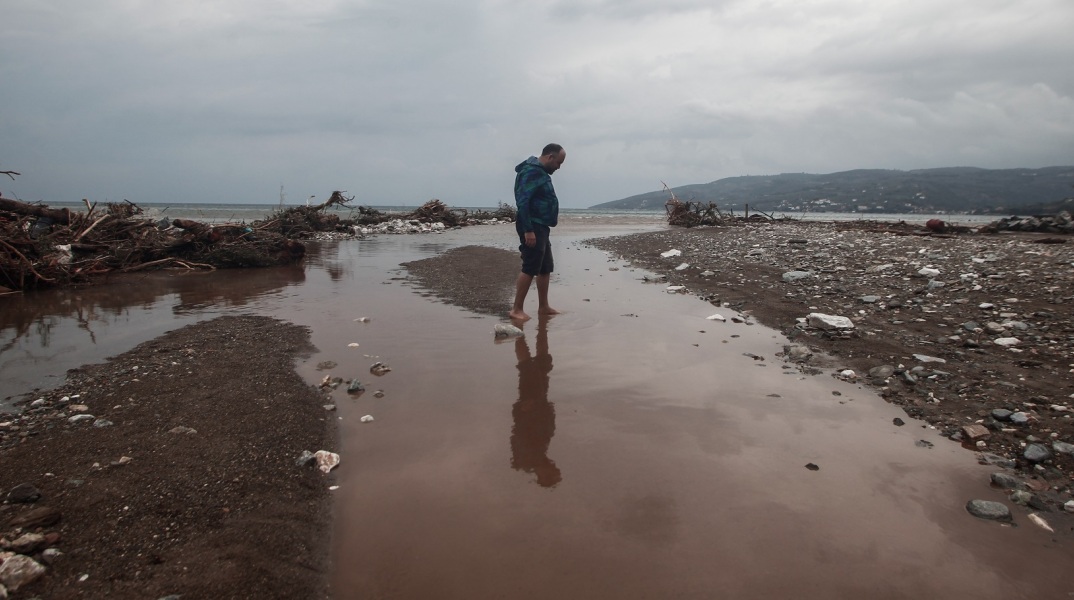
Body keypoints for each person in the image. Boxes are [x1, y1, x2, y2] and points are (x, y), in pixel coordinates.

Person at [509, 143, 565, 322]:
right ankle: (516, 309)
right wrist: (528, 230)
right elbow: (523, 202)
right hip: (532, 225)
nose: (558, 167)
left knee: (545, 267)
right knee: (530, 266)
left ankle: (543, 306)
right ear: (550, 157)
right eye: (558, 163)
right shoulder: (531, 171)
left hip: (541, 226)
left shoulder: (540, 173)